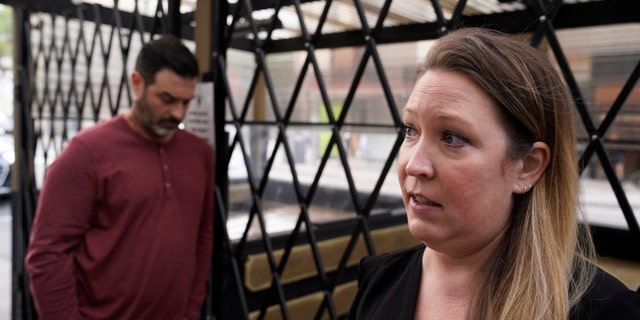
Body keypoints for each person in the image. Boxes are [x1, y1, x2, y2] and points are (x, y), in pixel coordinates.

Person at [347, 28, 640, 319]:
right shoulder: (378, 282)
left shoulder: (603, 310)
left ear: (527, 166)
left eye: (451, 137)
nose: (414, 164)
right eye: (411, 130)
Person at [25, 35, 215, 320]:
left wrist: (190, 309)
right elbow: (48, 256)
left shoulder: (199, 153)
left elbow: (203, 233)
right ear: (137, 83)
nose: (178, 112)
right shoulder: (86, 153)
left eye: (186, 102)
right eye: (167, 99)